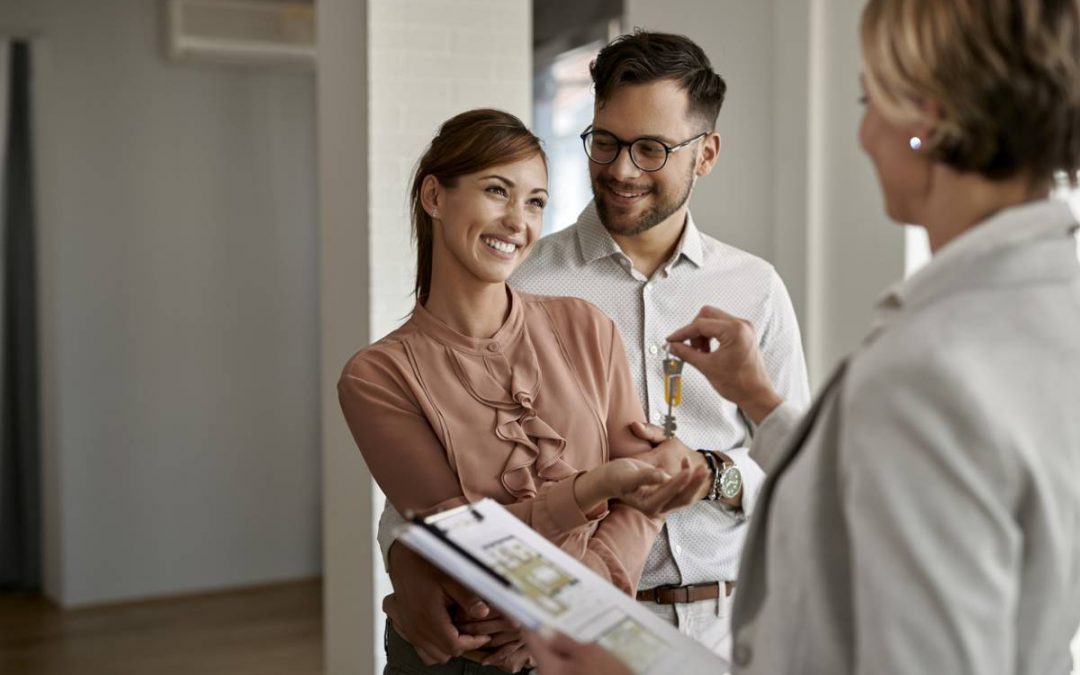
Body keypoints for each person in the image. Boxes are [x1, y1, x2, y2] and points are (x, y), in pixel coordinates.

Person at [527, 1, 1080, 673]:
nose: (864, 132)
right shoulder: (1042, 310)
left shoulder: (929, 362)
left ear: (925, 122)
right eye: (607, 142)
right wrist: (759, 398)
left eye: (867, 99)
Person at [377, 30, 811, 666]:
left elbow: (793, 467)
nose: (621, 170)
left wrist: (711, 473)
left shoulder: (756, 288)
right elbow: (427, 472)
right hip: (553, 630)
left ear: (707, 153)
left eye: (652, 150)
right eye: (605, 142)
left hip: (721, 627)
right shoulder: (520, 279)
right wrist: (402, 558)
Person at [337, 108, 709, 675]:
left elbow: (643, 500)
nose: (518, 220)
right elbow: (466, 548)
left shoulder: (586, 327)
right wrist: (594, 488)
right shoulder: (378, 376)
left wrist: (570, 611)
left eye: (535, 201)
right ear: (434, 197)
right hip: (464, 661)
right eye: (496, 191)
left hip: (585, 645)